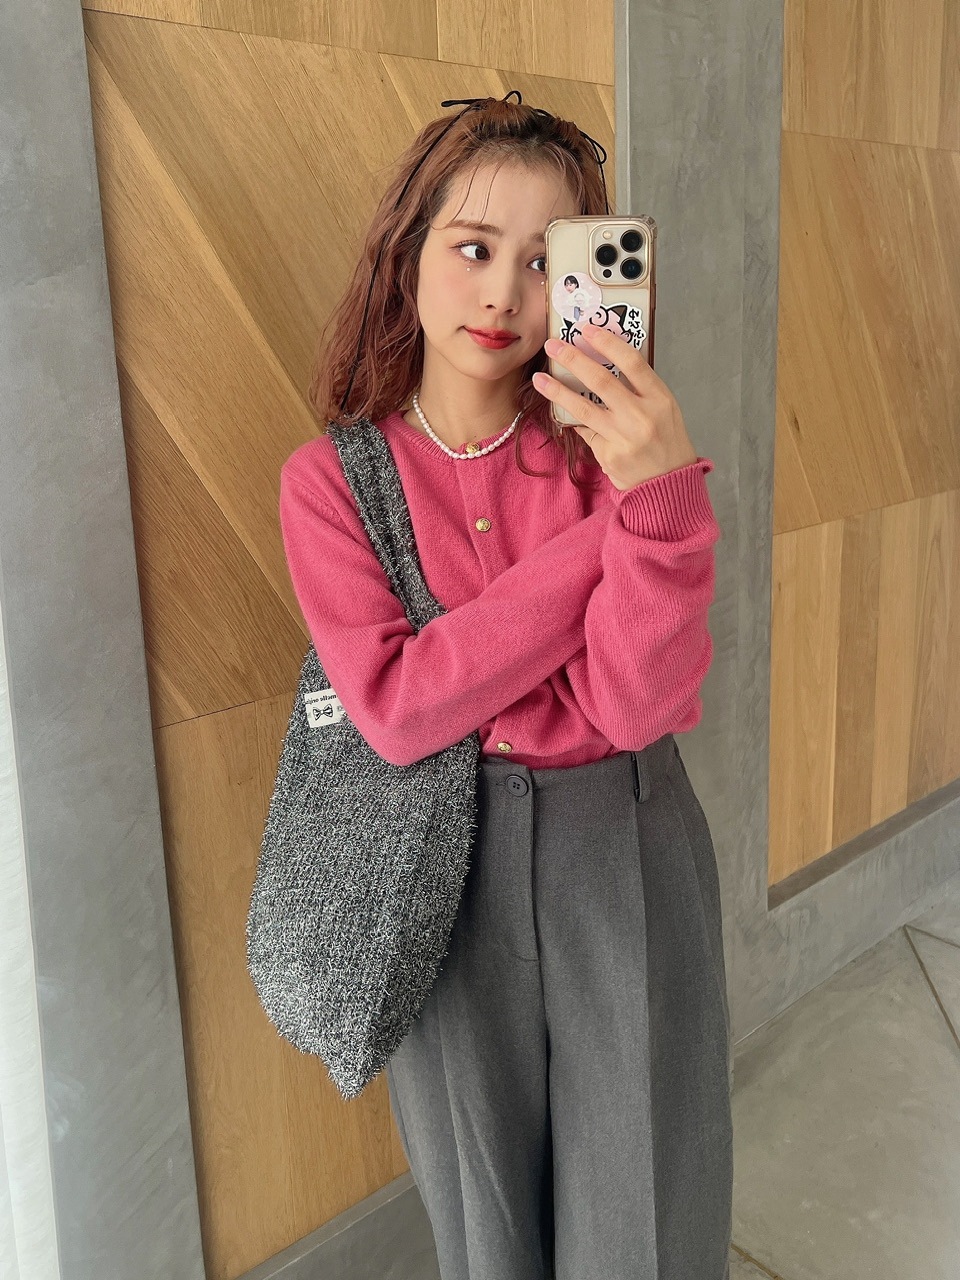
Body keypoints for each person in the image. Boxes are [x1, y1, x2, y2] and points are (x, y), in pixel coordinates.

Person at [278, 93, 732, 1280]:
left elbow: (632, 706)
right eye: (473, 247)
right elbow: (400, 706)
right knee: (487, 1222)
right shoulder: (334, 481)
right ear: (406, 251)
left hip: (621, 846)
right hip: (443, 858)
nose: (504, 295)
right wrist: (636, 525)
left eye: (544, 261)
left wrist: (648, 497)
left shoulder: (614, 452)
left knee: (645, 1205)